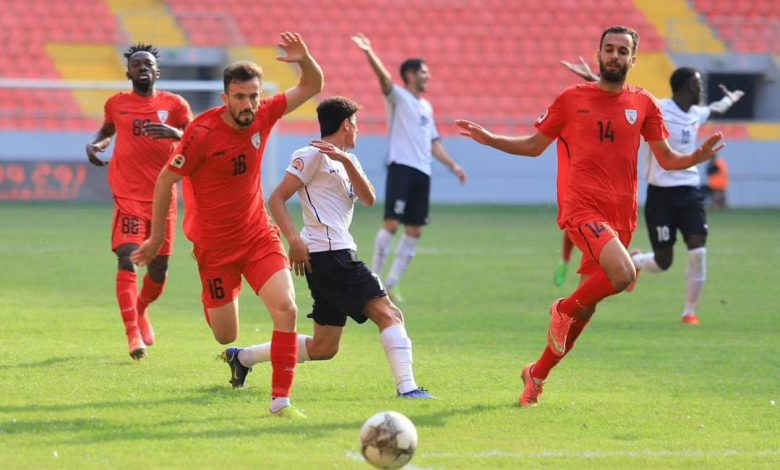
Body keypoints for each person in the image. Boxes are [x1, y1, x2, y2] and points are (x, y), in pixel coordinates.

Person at [456, 25, 724, 407]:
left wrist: (695, 157)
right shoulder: (571, 99)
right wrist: (492, 139)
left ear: (633, 59)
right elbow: (534, 145)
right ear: (599, 54)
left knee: (587, 307)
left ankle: (537, 373)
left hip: (622, 215)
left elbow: (665, 158)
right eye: (609, 49)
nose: (614, 56)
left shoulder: (644, 103)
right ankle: (561, 309)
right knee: (624, 274)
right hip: (581, 207)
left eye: (622, 51)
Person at [132, 32, 324, 418]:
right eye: (240, 97)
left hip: (258, 236)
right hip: (215, 250)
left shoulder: (265, 114)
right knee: (226, 334)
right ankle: (226, 331)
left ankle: (280, 402)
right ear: (225, 98)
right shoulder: (201, 133)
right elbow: (166, 179)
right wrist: (155, 238)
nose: (248, 104)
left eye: (253, 96)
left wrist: (304, 59)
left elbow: (312, 86)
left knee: (286, 309)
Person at [220, 97, 434, 399]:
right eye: (355, 124)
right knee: (389, 313)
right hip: (330, 256)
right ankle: (408, 388)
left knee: (324, 347)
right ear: (346, 125)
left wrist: (346, 161)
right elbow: (277, 198)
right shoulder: (311, 155)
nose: (358, 130)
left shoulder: (348, 161)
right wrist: (294, 239)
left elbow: (369, 199)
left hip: (332, 258)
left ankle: (242, 357)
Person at [562, 58, 744, 324]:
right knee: (663, 261)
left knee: (698, 250)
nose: (701, 89)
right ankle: (636, 262)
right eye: (698, 85)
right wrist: (594, 79)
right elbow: (623, 98)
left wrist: (730, 99)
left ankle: (689, 311)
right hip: (661, 194)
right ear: (686, 87)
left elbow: (715, 109)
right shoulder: (658, 107)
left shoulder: (696, 113)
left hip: (690, 192)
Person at [86, 43, 192, 360]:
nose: (143, 67)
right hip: (128, 195)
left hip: (163, 197)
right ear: (128, 73)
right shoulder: (116, 104)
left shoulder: (175, 105)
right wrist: (96, 145)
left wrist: (175, 133)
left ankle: (142, 308)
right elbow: (106, 131)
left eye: (148, 64)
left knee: (158, 271)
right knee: (127, 257)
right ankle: (133, 335)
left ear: (157, 71)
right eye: (137, 64)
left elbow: (196, 137)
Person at [352, 33, 467, 302]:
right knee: (392, 224)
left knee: (415, 229)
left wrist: (453, 165)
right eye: (424, 72)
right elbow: (384, 81)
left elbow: (433, 142)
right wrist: (369, 52)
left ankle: (391, 285)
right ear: (411, 75)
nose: (428, 76)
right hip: (401, 167)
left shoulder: (426, 106)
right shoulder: (399, 97)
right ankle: (374, 281)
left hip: (422, 172)